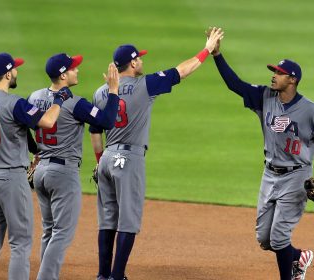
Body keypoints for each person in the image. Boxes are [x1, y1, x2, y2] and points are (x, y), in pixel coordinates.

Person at [89, 28, 224, 280]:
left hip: (107, 159)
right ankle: (117, 276)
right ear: (131, 63)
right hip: (128, 160)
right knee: (128, 222)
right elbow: (183, 70)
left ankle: (102, 275)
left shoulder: (101, 91)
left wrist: (99, 162)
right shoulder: (145, 84)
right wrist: (207, 49)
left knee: (107, 220)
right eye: (138, 58)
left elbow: (95, 131)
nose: (141, 60)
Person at [209, 29, 314, 280]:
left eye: (279, 74)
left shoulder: (311, 111)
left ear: (292, 80)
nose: (273, 76)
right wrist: (217, 55)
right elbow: (234, 84)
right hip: (269, 174)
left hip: (296, 177)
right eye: (274, 72)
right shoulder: (264, 96)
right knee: (265, 239)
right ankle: (299, 257)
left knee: (280, 237)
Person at [0, 52, 72, 280]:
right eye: (14, 68)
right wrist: (60, 99)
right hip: (11, 178)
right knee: (21, 242)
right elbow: (47, 121)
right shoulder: (15, 103)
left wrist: (32, 151)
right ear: (7, 73)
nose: (16, 71)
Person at [27, 53, 120, 280]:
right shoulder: (75, 103)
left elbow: (22, 130)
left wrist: (34, 152)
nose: (77, 70)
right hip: (62, 174)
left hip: (40, 173)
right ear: (62, 74)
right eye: (73, 68)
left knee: (49, 230)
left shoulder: (34, 97)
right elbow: (107, 121)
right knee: (62, 233)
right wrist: (114, 90)